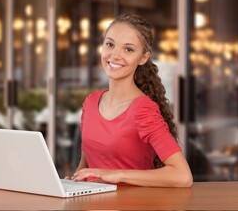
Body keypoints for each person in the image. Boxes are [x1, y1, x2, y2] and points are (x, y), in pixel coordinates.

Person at [69, 13, 193, 187]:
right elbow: (87, 164)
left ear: (143, 58)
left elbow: (183, 176)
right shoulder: (90, 102)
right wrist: (75, 183)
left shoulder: (143, 109)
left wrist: (117, 175)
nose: (115, 55)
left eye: (128, 49)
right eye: (110, 44)